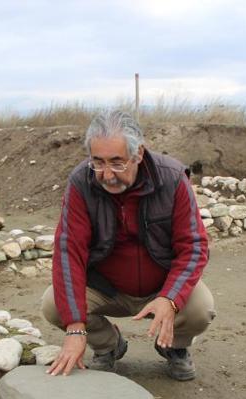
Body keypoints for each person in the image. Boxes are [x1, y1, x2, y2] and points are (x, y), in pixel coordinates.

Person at [41, 109, 215, 380]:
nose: (107, 174)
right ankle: (109, 346)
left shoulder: (171, 179)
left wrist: (170, 298)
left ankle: (174, 348)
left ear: (139, 154)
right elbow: (68, 251)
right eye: (97, 162)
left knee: (200, 308)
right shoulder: (81, 183)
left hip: (160, 287)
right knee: (53, 304)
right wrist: (75, 328)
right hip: (106, 289)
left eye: (117, 162)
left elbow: (193, 247)